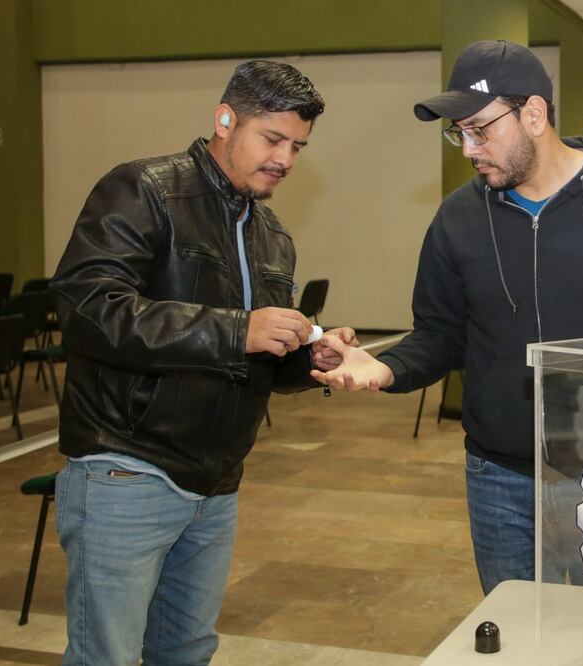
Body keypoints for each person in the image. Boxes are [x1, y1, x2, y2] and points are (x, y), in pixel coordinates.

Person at [313, 40, 583, 595]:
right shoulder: (457, 218)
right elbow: (439, 334)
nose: (467, 149)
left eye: (480, 129)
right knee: (514, 639)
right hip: (496, 476)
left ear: (534, 114)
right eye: (458, 132)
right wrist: (386, 369)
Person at [49, 60, 352, 665]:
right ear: (224, 120)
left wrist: (307, 358)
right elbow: (86, 308)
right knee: (105, 655)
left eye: (297, 146)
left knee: (186, 652)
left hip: (216, 484)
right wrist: (237, 329)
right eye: (272, 139)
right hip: (126, 471)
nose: (286, 160)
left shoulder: (271, 233)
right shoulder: (144, 189)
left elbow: (256, 353)